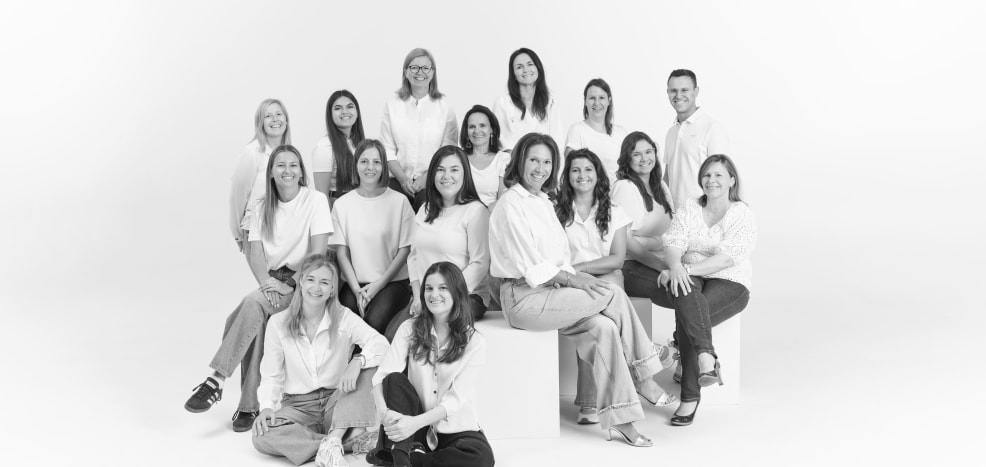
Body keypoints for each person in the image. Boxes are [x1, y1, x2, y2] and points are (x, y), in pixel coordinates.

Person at [488, 133, 675, 447]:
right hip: (523, 298)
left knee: (605, 328)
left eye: (547, 162)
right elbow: (531, 265)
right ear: (519, 161)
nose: (540, 168)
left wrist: (573, 276)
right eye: (533, 160)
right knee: (611, 292)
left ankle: (622, 421)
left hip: (552, 293)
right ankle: (644, 377)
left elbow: (559, 257)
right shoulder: (511, 204)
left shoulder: (543, 202)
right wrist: (575, 279)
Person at [186, 145, 333, 432]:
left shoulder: (315, 201)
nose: (288, 170)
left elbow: (318, 254)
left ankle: (217, 380)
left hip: (306, 281)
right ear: (271, 172)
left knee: (251, 305)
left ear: (301, 171)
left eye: (293, 165)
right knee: (256, 318)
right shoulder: (261, 206)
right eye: (281, 165)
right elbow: (254, 253)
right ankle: (248, 406)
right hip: (271, 280)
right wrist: (269, 285)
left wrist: (290, 283)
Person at [252, 254, 389, 467]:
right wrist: (267, 408)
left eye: (325, 282)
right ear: (300, 281)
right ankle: (339, 442)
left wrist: (358, 361)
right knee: (262, 436)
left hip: (338, 400)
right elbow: (271, 374)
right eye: (311, 279)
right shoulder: (278, 323)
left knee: (368, 370)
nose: (316, 288)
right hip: (298, 406)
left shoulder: (344, 317)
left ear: (332, 290)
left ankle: (335, 438)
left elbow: (382, 345)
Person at [659, 154, 756, 426]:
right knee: (687, 297)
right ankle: (707, 358)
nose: (711, 180)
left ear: (732, 180)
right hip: (691, 276)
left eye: (718, 175)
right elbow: (674, 241)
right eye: (707, 175)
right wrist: (675, 265)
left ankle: (689, 395)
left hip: (730, 280)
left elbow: (726, 259)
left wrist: (684, 270)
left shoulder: (741, 214)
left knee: (690, 318)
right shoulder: (691, 207)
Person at [367, 262, 495, 467]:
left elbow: (454, 401)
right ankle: (400, 456)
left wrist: (413, 424)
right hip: (414, 425)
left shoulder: (475, 342)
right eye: (429, 288)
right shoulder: (409, 328)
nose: (434, 294)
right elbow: (381, 378)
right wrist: (385, 415)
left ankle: (405, 458)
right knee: (394, 379)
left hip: (451, 426)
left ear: (457, 292)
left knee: (482, 457)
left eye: (442, 288)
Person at [330, 139, 415, 337]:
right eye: (364, 161)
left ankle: (365, 358)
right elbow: (342, 254)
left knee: (373, 322)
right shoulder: (342, 205)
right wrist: (356, 290)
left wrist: (378, 285)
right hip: (355, 284)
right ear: (356, 165)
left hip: (392, 283)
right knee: (345, 325)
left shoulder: (400, 202)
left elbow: (405, 251)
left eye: (377, 162)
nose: (370, 167)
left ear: (384, 166)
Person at [407, 145, 491, 324]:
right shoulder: (424, 209)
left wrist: (442, 294)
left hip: (466, 295)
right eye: (440, 170)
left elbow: (480, 263)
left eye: (454, 170)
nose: (446, 176)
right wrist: (418, 296)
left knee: (421, 331)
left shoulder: (476, 211)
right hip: (427, 297)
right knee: (393, 333)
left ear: (465, 174)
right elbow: (413, 257)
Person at [381, 48, 458, 210]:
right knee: (391, 209)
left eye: (425, 68)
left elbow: (447, 151)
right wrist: (403, 179)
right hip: (397, 180)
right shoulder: (392, 106)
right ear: (406, 72)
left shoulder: (445, 108)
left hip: (433, 179)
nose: (420, 72)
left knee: (426, 211)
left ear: (432, 72)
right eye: (414, 67)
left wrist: (425, 179)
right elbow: (387, 149)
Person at [230, 98, 294, 264]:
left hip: (285, 230)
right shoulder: (251, 153)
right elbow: (237, 197)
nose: (275, 119)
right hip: (256, 230)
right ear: (260, 123)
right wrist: (237, 234)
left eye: (279, 114)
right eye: (268, 116)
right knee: (268, 280)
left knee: (286, 280)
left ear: (286, 120)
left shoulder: (290, 154)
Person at [664, 69, 729, 208]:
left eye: (684, 90)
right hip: (674, 214)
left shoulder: (711, 128)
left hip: (703, 212)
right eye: (673, 90)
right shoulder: (671, 132)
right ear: (668, 92)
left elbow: (723, 177)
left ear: (696, 91)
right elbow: (668, 175)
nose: (678, 95)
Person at [492, 48, 563, 151]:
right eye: (519, 67)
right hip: (511, 160)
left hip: (545, 160)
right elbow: (499, 140)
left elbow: (558, 143)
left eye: (530, 64)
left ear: (538, 68)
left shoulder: (550, 103)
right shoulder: (502, 103)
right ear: (513, 74)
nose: (526, 70)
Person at [564, 78, 629, 180]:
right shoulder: (577, 130)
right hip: (588, 189)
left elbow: (629, 167)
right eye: (592, 98)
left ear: (609, 101)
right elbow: (570, 168)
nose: (597, 103)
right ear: (585, 101)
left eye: (601, 98)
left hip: (618, 189)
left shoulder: (621, 132)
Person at [312, 90, 365, 203]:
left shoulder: (359, 143)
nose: (345, 112)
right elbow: (322, 196)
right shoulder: (324, 146)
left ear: (357, 112)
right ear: (330, 114)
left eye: (350, 107)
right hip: (337, 205)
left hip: (361, 204)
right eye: (338, 108)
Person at [459, 105, 510, 209]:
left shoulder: (503, 159)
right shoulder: (458, 158)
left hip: (492, 215)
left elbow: (503, 200)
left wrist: (480, 215)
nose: (477, 131)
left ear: (491, 129)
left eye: (482, 125)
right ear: (467, 131)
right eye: (472, 127)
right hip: (461, 214)